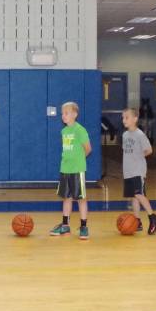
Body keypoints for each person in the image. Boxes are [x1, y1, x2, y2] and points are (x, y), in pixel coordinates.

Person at [50, 101, 92, 240]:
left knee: (81, 198)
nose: (63, 116)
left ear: (75, 114)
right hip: (65, 169)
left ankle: (84, 226)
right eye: (62, 113)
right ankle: (65, 225)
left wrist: (79, 161)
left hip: (77, 169)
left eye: (66, 113)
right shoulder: (64, 131)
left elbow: (88, 149)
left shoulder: (80, 130)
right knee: (66, 197)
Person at [122, 108, 156, 234]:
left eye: (126, 117)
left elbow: (149, 150)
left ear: (135, 119)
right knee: (134, 197)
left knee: (139, 194)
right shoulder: (125, 135)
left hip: (138, 170)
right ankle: (137, 221)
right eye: (123, 118)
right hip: (128, 171)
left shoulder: (139, 134)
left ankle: (152, 217)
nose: (124, 120)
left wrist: (139, 156)